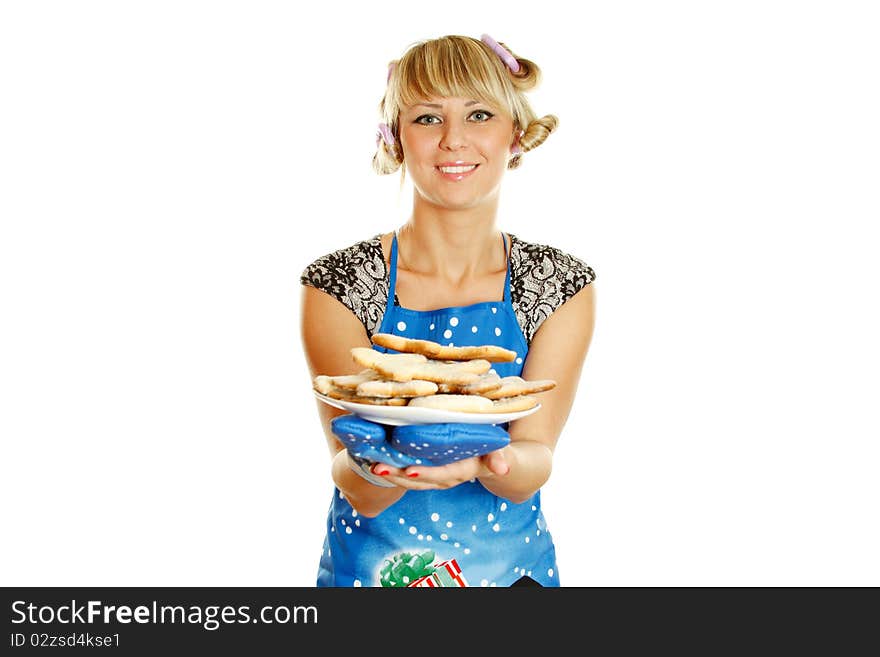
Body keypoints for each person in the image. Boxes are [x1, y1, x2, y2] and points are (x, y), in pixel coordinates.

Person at [299, 34, 596, 587]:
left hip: (512, 577)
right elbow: (357, 484)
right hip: (371, 574)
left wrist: (483, 463)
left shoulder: (558, 285)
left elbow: (531, 465)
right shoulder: (340, 283)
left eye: (479, 114)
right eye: (428, 118)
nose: (454, 140)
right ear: (396, 139)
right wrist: (392, 463)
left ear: (515, 134)